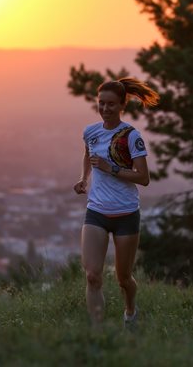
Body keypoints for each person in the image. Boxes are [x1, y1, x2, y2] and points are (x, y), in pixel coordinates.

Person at [73, 77, 159, 327]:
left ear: (122, 104)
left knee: (123, 278)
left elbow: (143, 178)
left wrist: (112, 169)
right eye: (101, 103)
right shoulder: (90, 132)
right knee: (92, 276)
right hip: (96, 211)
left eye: (111, 104)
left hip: (126, 214)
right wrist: (83, 179)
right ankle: (98, 333)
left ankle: (130, 311)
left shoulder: (131, 136)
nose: (105, 108)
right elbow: (88, 155)